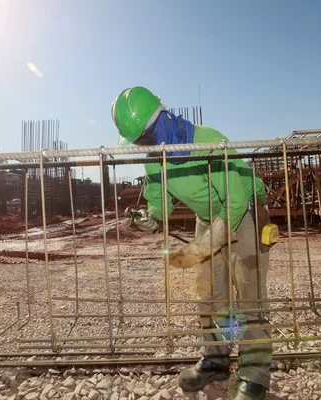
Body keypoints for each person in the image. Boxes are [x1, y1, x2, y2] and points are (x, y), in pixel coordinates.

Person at [111, 87, 272, 400]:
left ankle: (255, 374)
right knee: (211, 292)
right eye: (138, 142)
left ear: (165, 118)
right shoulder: (154, 157)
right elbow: (160, 202)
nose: (144, 146)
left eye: (145, 137)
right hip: (208, 215)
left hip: (245, 211)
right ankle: (216, 359)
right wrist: (152, 217)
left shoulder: (209, 141)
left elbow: (235, 204)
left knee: (249, 293)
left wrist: (200, 248)